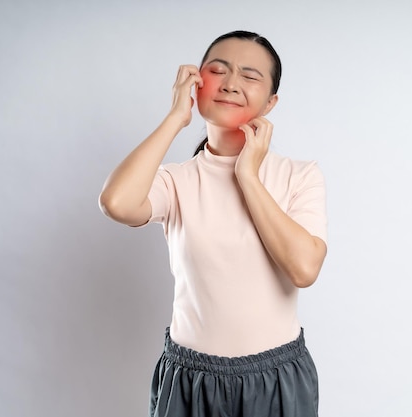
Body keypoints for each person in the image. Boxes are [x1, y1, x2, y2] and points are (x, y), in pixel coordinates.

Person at [99, 30, 327, 417]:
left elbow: (304, 269)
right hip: (190, 380)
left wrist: (248, 176)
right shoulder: (176, 180)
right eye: (218, 70)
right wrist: (176, 118)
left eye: (249, 76)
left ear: (270, 103)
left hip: (275, 379)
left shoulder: (299, 176)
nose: (231, 83)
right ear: (197, 82)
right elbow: (116, 203)